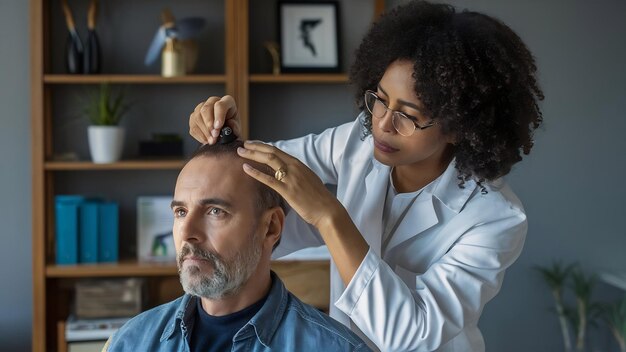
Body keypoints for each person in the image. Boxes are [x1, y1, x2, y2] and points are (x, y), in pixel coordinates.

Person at [188, 1, 544, 351]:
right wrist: (225, 135)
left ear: (457, 128)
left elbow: (410, 335)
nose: (383, 124)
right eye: (381, 99)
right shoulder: (359, 139)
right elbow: (259, 170)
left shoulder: (494, 219)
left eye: (408, 114)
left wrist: (329, 216)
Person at [104, 141, 370, 352]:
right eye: (181, 212)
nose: (187, 233)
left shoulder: (337, 348)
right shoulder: (130, 342)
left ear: (271, 227)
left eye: (215, 211)